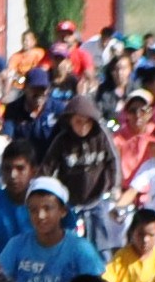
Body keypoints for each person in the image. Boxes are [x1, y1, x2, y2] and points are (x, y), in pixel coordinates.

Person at [0, 177, 107, 282]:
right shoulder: (16, 245)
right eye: (33, 210)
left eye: (47, 208)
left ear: (63, 211)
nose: (40, 216)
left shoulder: (79, 248)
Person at [41, 92, 117, 234]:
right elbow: (47, 167)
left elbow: (112, 161)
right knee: (68, 238)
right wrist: (42, 192)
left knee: (101, 241)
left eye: (87, 122)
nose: (83, 127)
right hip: (70, 201)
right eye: (78, 122)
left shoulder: (101, 136)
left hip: (97, 199)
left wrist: (114, 186)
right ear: (70, 121)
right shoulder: (62, 141)